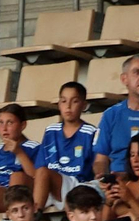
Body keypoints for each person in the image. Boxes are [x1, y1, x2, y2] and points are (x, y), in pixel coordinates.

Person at [30, 82, 97, 213]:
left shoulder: (91, 132)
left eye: (75, 101)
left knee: (43, 173)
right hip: (50, 186)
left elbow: (94, 169)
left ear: (84, 105)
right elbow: (40, 165)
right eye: (64, 101)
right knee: (19, 178)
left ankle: (32, 219)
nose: (68, 106)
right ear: (59, 104)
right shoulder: (51, 131)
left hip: (77, 186)